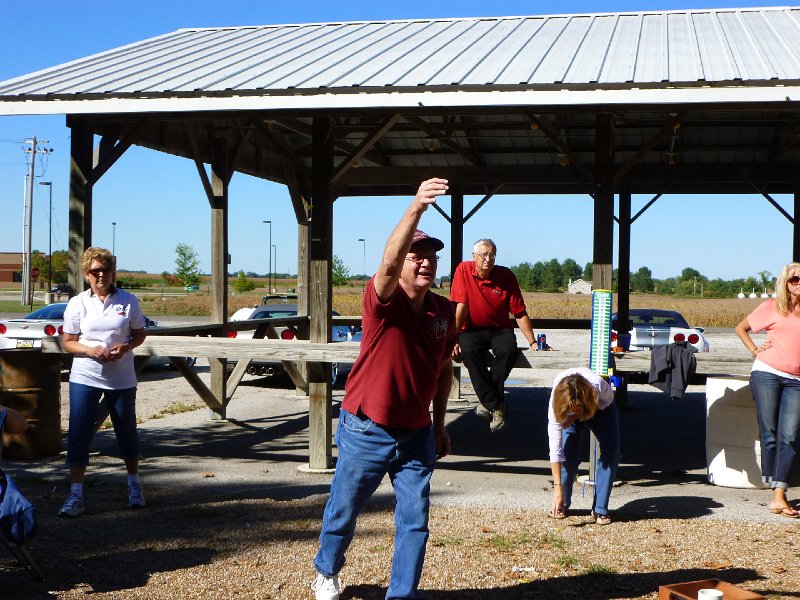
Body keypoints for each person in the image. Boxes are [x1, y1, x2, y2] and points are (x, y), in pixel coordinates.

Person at [312, 178, 457, 600]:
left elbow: (443, 367)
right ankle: (327, 570)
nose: (425, 263)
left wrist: (438, 423)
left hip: (415, 435)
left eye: (431, 256)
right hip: (365, 427)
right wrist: (416, 207)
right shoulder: (383, 303)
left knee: (415, 519)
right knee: (345, 508)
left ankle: (402, 594)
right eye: (417, 254)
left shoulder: (444, 311)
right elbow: (388, 266)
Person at [58, 247, 147, 518]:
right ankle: (76, 494)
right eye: (95, 272)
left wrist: (126, 347)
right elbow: (68, 341)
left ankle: (134, 485)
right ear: (86, 275)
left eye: (105, 270)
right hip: (85, 375)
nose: (100, 276)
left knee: (126, 431)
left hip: (120, 377)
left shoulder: (128, 300)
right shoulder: (78, 303)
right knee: (79, 433)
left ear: (112, 273)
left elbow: (140, 334)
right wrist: (89, 350)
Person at [449, 239, 538, 432]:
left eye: (492, 255)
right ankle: (496, 405)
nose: (488, 259)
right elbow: (461, 308)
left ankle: (487, 402)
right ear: (474, 256)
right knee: (470, 352)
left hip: (499, 328)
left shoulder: (505, 276)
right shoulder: (464, 270)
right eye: (484, 255)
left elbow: (519, 311)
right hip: (471, 328)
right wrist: (453, 339)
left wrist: (532, 342)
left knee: (508, 350)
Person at [735, 262, 800, 519]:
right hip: (767, 373)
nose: (798, 283)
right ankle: (774, 484)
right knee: (770, 431)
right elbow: (741, 328)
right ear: (785, 283)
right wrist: (754, 349)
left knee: (791, 436)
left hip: (796, 380)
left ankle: (778, 493)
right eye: (794, 279)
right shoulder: (772, 307)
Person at [548, 367, 620, 525]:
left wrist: (579, 414)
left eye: (577, 407)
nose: (574, 411)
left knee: (611, 451)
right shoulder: (557, 398)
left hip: (599, 407)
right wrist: (557, 487)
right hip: (572, 407)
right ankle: (562, 501)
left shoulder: (598, 386)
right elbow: (555, 448)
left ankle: (600, 508)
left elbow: (608, 401)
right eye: (571, 409)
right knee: (568, 453)